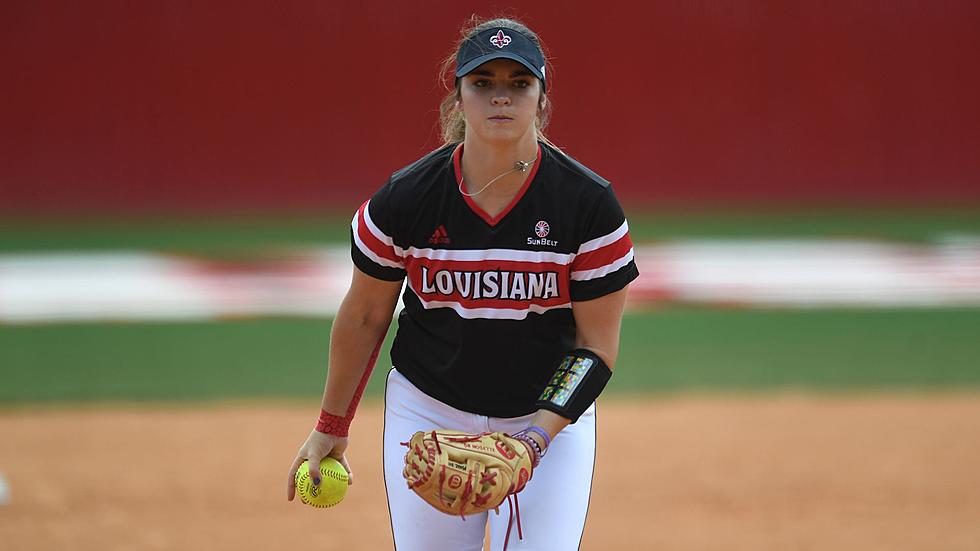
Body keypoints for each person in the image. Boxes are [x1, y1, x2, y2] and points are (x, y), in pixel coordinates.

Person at [286, 16, 638, 551]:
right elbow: (365, 316)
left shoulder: (587, 206)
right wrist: (332, 424)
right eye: (483, 83)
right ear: (458, 98)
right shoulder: (406, 199)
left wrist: (533, 440)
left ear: (541, 98)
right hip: (428, 413)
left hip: (542, 418)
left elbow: (595, 347)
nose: (502, 97)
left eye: (518, 84)